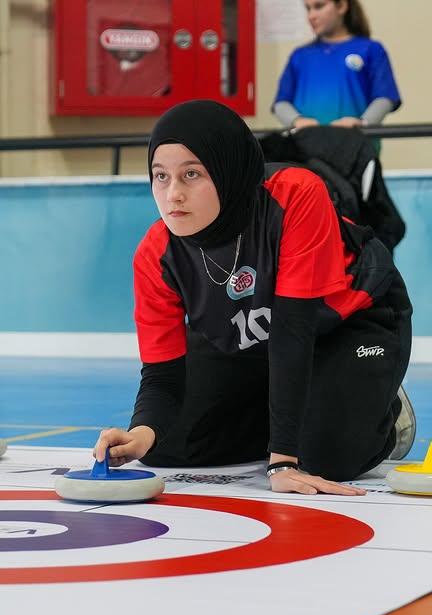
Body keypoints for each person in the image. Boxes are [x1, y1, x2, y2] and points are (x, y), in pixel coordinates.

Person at [93, 99, 415, 495]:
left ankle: (383, 413)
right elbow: (162, 375)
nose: (172, 194)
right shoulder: (155, 253)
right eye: (161, 176)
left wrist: (283, 459)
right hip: (258, 341)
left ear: (228, 169)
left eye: (191, 174)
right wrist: (142, 432)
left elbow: (294, 329)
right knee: (165, 444)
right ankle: (297, 408)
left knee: (324, 456)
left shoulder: (295, 194)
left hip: (350, 323)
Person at [272, 0, 401, 130]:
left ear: (341, 6)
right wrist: (297, 121)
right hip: (305, 145)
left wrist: (362, 123)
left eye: (319, 6)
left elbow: (385, 97)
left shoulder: (371, 49)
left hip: (356, 145)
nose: (311, 16)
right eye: (308, 9)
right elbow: (281, 103)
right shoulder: (300, 56)